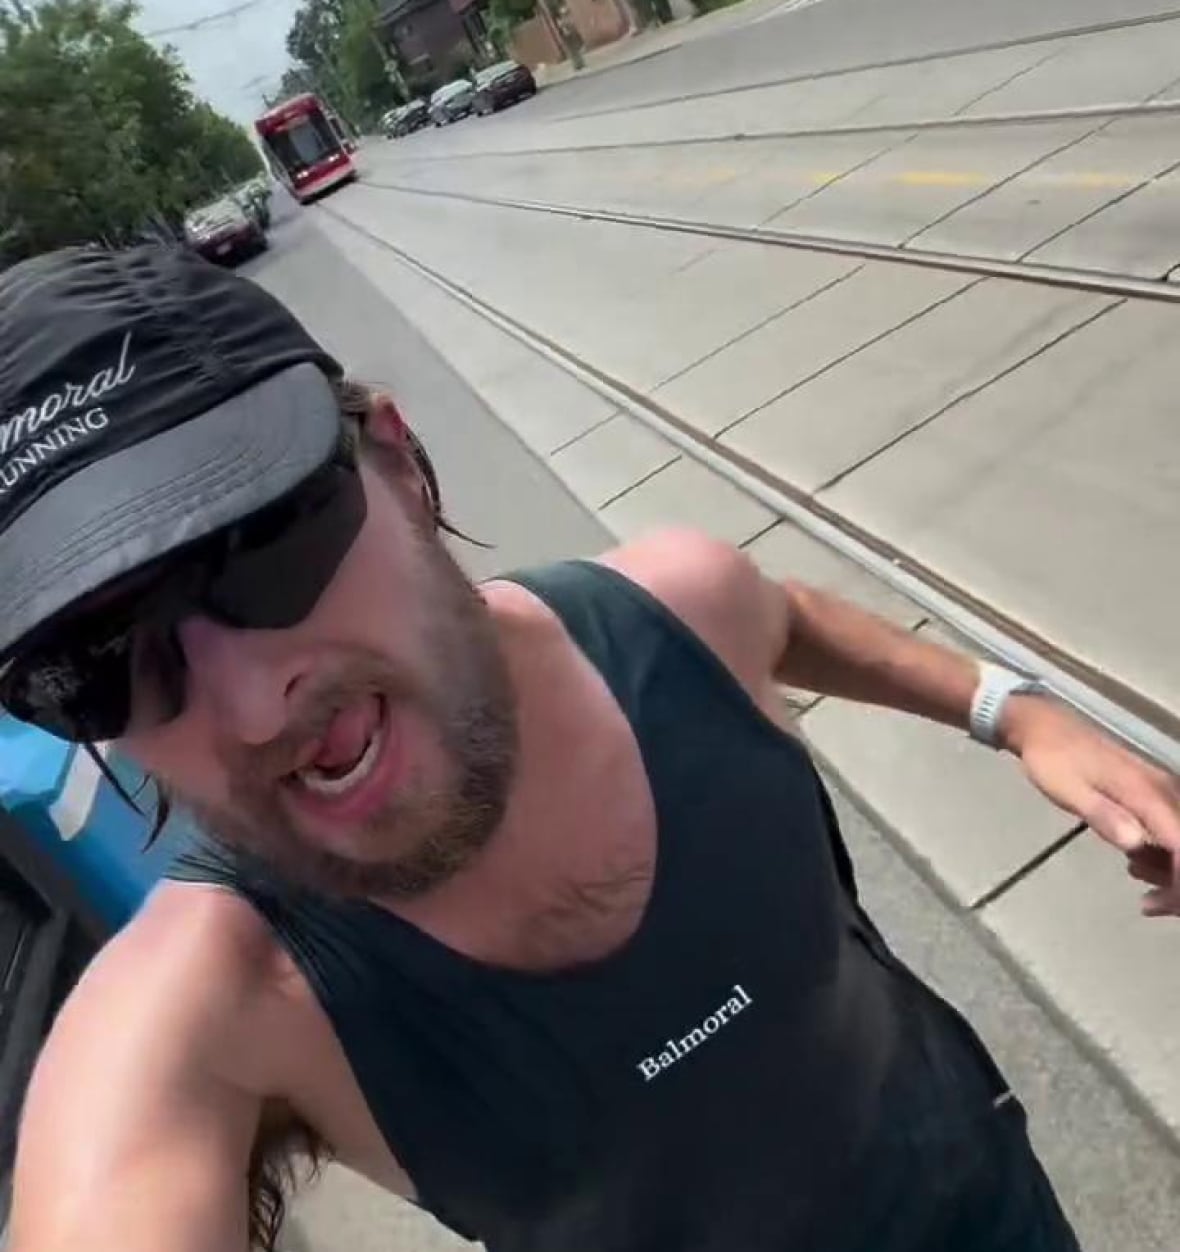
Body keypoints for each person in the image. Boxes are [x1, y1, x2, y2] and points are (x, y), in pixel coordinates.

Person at [5, 245, 1179, 1252]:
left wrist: (1015, 711)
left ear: (401, 465)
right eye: (95, 661)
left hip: (993, 1198)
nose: (253, 704)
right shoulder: (210, 1011)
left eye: (259, 544)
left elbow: (787, 618)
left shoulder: (672, 608)